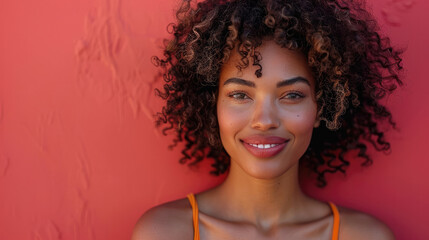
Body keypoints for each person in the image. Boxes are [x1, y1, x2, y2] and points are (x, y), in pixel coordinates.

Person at [132, 0, 403, 239]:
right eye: (239, 94)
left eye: (292, 95)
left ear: (323, 106)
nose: (264, 120)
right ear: (211, 104)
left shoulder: (362, 236)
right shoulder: (165, 233)